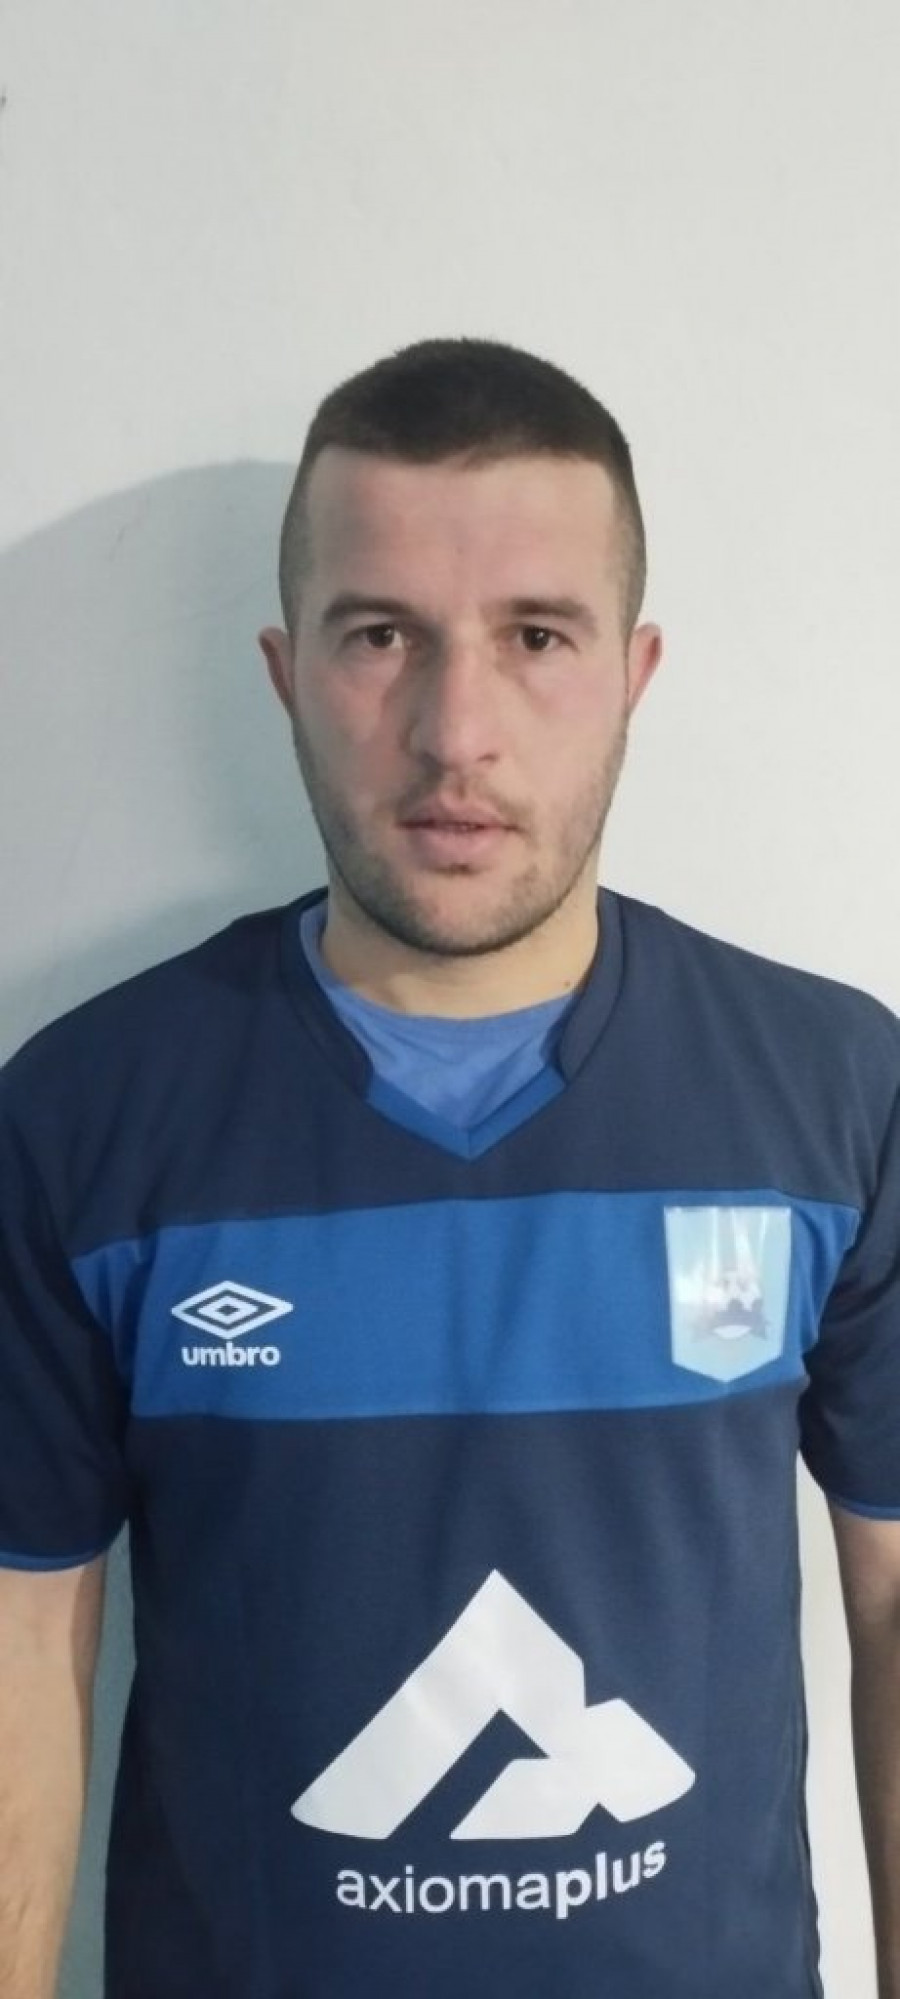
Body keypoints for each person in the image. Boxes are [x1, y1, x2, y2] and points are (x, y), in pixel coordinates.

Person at [0, 335, 898, 1999]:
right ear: (286, 672)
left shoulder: (837, 1095)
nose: (453, 729)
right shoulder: (84, 1119)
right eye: (381, 635)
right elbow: (20, 1648)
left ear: (633, 671)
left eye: (535, 635)